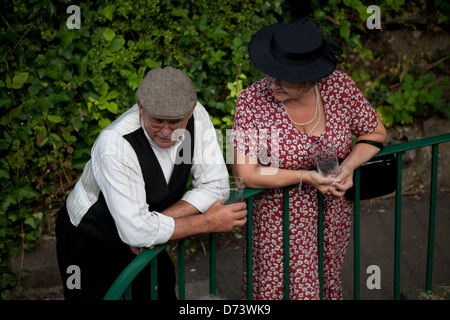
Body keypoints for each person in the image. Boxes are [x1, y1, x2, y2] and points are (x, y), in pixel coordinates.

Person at [56, 66, 247, 300]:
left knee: (161, 289)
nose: (166, 132)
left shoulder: (197, 117)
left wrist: (153, 226)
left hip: (150, 224)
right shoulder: (115, 144)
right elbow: (136, 232)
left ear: (190, 111)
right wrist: (207, 222)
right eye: (157, 121)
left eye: (175, 122)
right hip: (92, 236)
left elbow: (215, 186)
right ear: (140, 107)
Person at [231, 19, 386, 300]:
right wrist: (304, 177)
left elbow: (374, 132)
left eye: (283, 77)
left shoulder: (339, 86)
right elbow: (246, 172)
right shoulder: (251, 102)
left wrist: (348, 166)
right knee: (280, 291)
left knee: (326, 282)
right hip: (278, 224)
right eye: (270, 73)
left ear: (311, 75)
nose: (272, 83)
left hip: (332, 216)